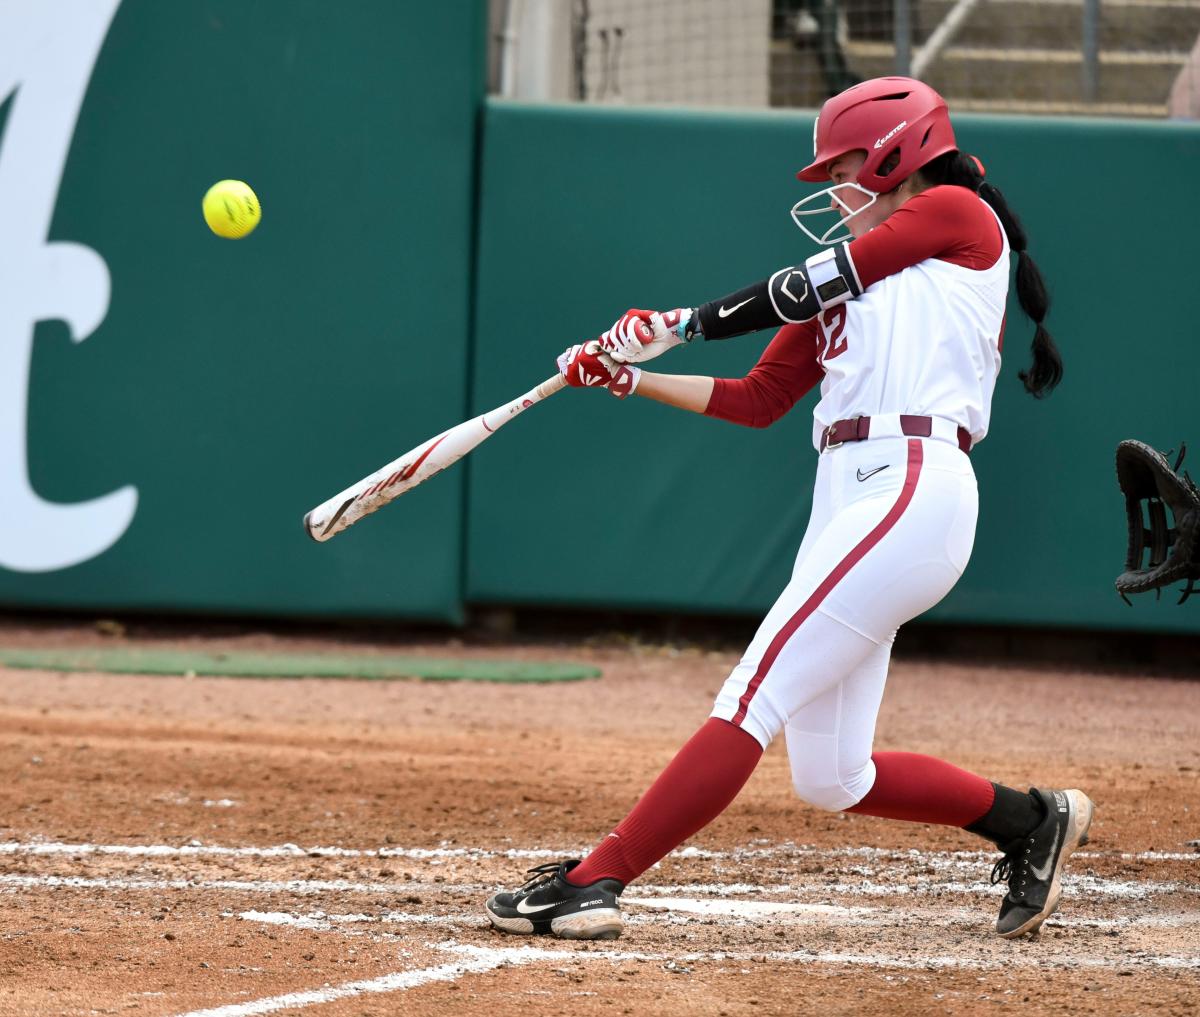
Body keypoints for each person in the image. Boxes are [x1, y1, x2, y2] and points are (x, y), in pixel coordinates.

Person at [484, 77, 1093, 943]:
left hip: (913, 481)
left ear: (896, 152)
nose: (832, 190)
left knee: (752, 693)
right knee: (831, 774)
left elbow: (810, 282)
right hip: (847, 490)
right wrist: (632, 375)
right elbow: (760, 397)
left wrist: (678, 322)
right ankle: (1029, 821)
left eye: (843, 168)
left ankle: (595, 877)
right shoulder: (854, 269)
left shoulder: (958, 215)